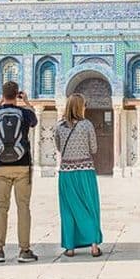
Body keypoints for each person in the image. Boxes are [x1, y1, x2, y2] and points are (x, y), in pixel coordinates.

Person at [0, 81, 39, 263]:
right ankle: (24, 251)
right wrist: (27, 102)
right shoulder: (24, 113)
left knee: (1, 208)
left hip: (1, 166)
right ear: (18, 94)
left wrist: (1, 102)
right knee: (23, 208)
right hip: (22, 165)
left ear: (3, 94)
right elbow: (34, 121)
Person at [54, 93, 103, 257]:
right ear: (81, 107)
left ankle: (70, 247)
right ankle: (94, 245)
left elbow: (59, 148)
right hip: (85, 172)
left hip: (66, 173)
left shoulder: (59, 126)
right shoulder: (87, 124)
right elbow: (94, 148)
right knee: (90, 206)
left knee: (68, 209)